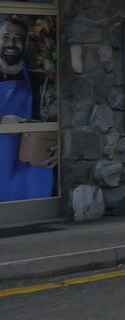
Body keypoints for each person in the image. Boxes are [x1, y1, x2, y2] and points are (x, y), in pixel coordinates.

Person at [0, 17, 55, 201]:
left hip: (31, 161)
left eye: (18, 38)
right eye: (6, 37)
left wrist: (59, 145)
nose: (11, 43)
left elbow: (54, 120)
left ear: (25, 43)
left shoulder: (38, 80)